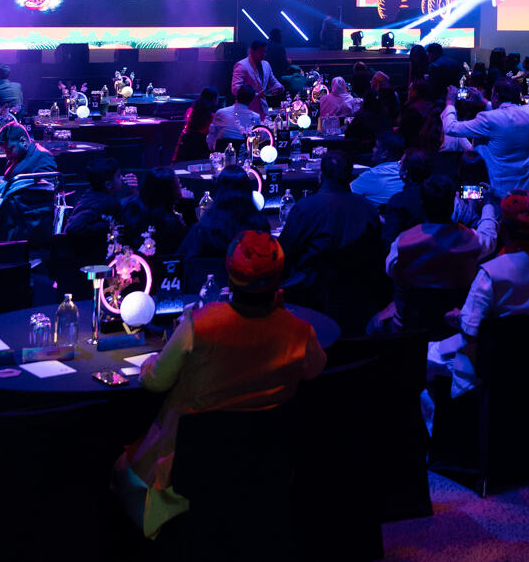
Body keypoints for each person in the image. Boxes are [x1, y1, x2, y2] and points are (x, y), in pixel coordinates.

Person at [115, 232, 326, 538]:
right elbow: (316, 368)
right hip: (265, 474)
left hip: (184, 479)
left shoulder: (200, 324)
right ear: (279, 277)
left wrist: (149, 362)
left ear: (230, 273)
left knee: (117, 468)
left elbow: (155, 382)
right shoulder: (299, 331)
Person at [432, 193, 529, 397]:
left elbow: (471, 331)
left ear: (501, 227)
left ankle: (444, 416)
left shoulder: (490, 274)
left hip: (488, 364)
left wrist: (458, 317)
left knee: (417, 357)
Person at [373, 176, 497, 335]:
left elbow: (391, 272)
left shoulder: (403, 243)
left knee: (372, 326)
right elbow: (489, 235)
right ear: (453, 206)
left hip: (414, 325)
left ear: (422, 206)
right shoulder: (473, 239)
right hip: (454, 324)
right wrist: (488, 203)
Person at [277, 151, 384, 331]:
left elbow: (284, 253)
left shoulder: (306, 208)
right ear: (350, 175)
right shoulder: (368, 209)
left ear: (321, 175)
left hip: (311, 297)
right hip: (359, 297)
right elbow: (377, 253)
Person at [442, 79, 529, 196]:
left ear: (496, 96)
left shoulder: (488, 119)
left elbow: (450, 128)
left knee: (460, 193)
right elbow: (504, 115)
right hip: (526, 192)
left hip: (496, 194)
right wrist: (483, 101)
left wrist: (450, 104)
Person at [177, 166, 269, 261]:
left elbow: (182, 257)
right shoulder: (260, 224)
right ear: (248, 189)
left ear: (219, 189)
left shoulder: (206, 225)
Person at [0, 124, 59, 242]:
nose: (7, 156)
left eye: (9, 150)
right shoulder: (16, 157)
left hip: (29, 225)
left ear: (23, 141)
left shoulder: (43, 156)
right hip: (15, 220)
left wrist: (11, 186)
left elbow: (47, 188)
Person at [62, 154, 129, 266]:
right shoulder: (106, 203)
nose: (122, 178)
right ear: (108, 184)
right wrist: (107, 226)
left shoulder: (91, 194)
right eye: (118, 176)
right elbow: (73, 228)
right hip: (87, 261)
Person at [120, 169, 192, 258]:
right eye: (178, 185)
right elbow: (188, 247)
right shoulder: (170, 222)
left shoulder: (131, 209)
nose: (181, 187)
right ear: (169, 191)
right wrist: (188, 205)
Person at [378, 147, 436, 239]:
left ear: (406, 171)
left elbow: (389, 239)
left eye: (400, 163)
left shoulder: (399, 201)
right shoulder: (440, 195)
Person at [350, 132, 408, 206]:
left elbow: (345, 196)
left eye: (376, 146)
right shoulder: (406, 173)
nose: (373, 149)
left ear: (385, 153)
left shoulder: (373, 175)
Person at [173, 89, 216, 163]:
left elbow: (185, 130)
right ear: (214, 100)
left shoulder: (190, 111)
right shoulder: (213, 117)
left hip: (186, 149)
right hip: (203, 151)